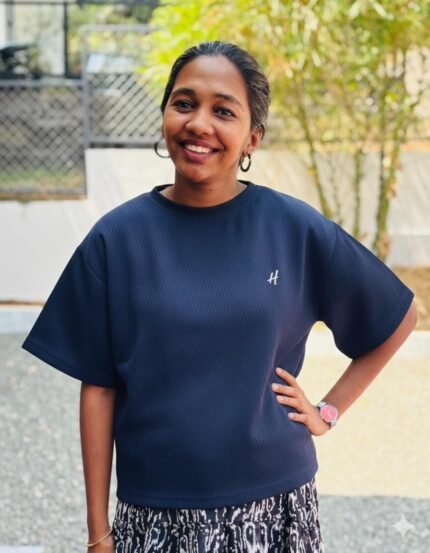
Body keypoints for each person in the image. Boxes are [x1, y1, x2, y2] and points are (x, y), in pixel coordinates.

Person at [21, 41, 417, 553]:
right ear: (165, 115)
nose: (199, 124)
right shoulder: (116, 240)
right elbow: (98, 388)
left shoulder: (291, 228)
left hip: (274, 509)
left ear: (252, 137)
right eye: (184, 104)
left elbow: (398, 316)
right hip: (154, 514)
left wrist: (328, 411)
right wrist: (98, 533)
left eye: (223, 111)